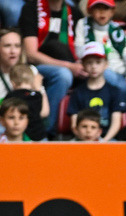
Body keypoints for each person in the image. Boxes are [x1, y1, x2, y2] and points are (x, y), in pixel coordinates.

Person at [75, 0, 126, 117]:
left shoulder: (116, 30)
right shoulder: (83, 25)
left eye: (106, 8)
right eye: (97, 8)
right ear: (89, 11)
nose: (102, 12)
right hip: (105, 69)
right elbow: (80, 51)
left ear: (112, 12)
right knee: (121, 87)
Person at [18, 0, 83, 133]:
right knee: (62, 75)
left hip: (70, 65)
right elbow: (31, 54)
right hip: (36, 67)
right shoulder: (32, 8)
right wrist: (68, 66)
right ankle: (44, 131)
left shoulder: (75, 13)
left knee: (95, 73)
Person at [68, 41, 126, 141]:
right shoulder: (77, 92)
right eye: (89, 62)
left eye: (98, 62)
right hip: (82, 140)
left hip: (107, 140)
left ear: (106, 64)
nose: (93, 66)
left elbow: (116, 122)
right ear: (83, 65)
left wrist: (103, 142)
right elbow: (74, 124)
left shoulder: (115, 91)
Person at [5, 64, 49, 140]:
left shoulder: (10, 96)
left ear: (12, 83)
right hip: (39, 136)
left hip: (20, 137)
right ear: (32, 82)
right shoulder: (37, 95)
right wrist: (40, 90)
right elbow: (45, 112)